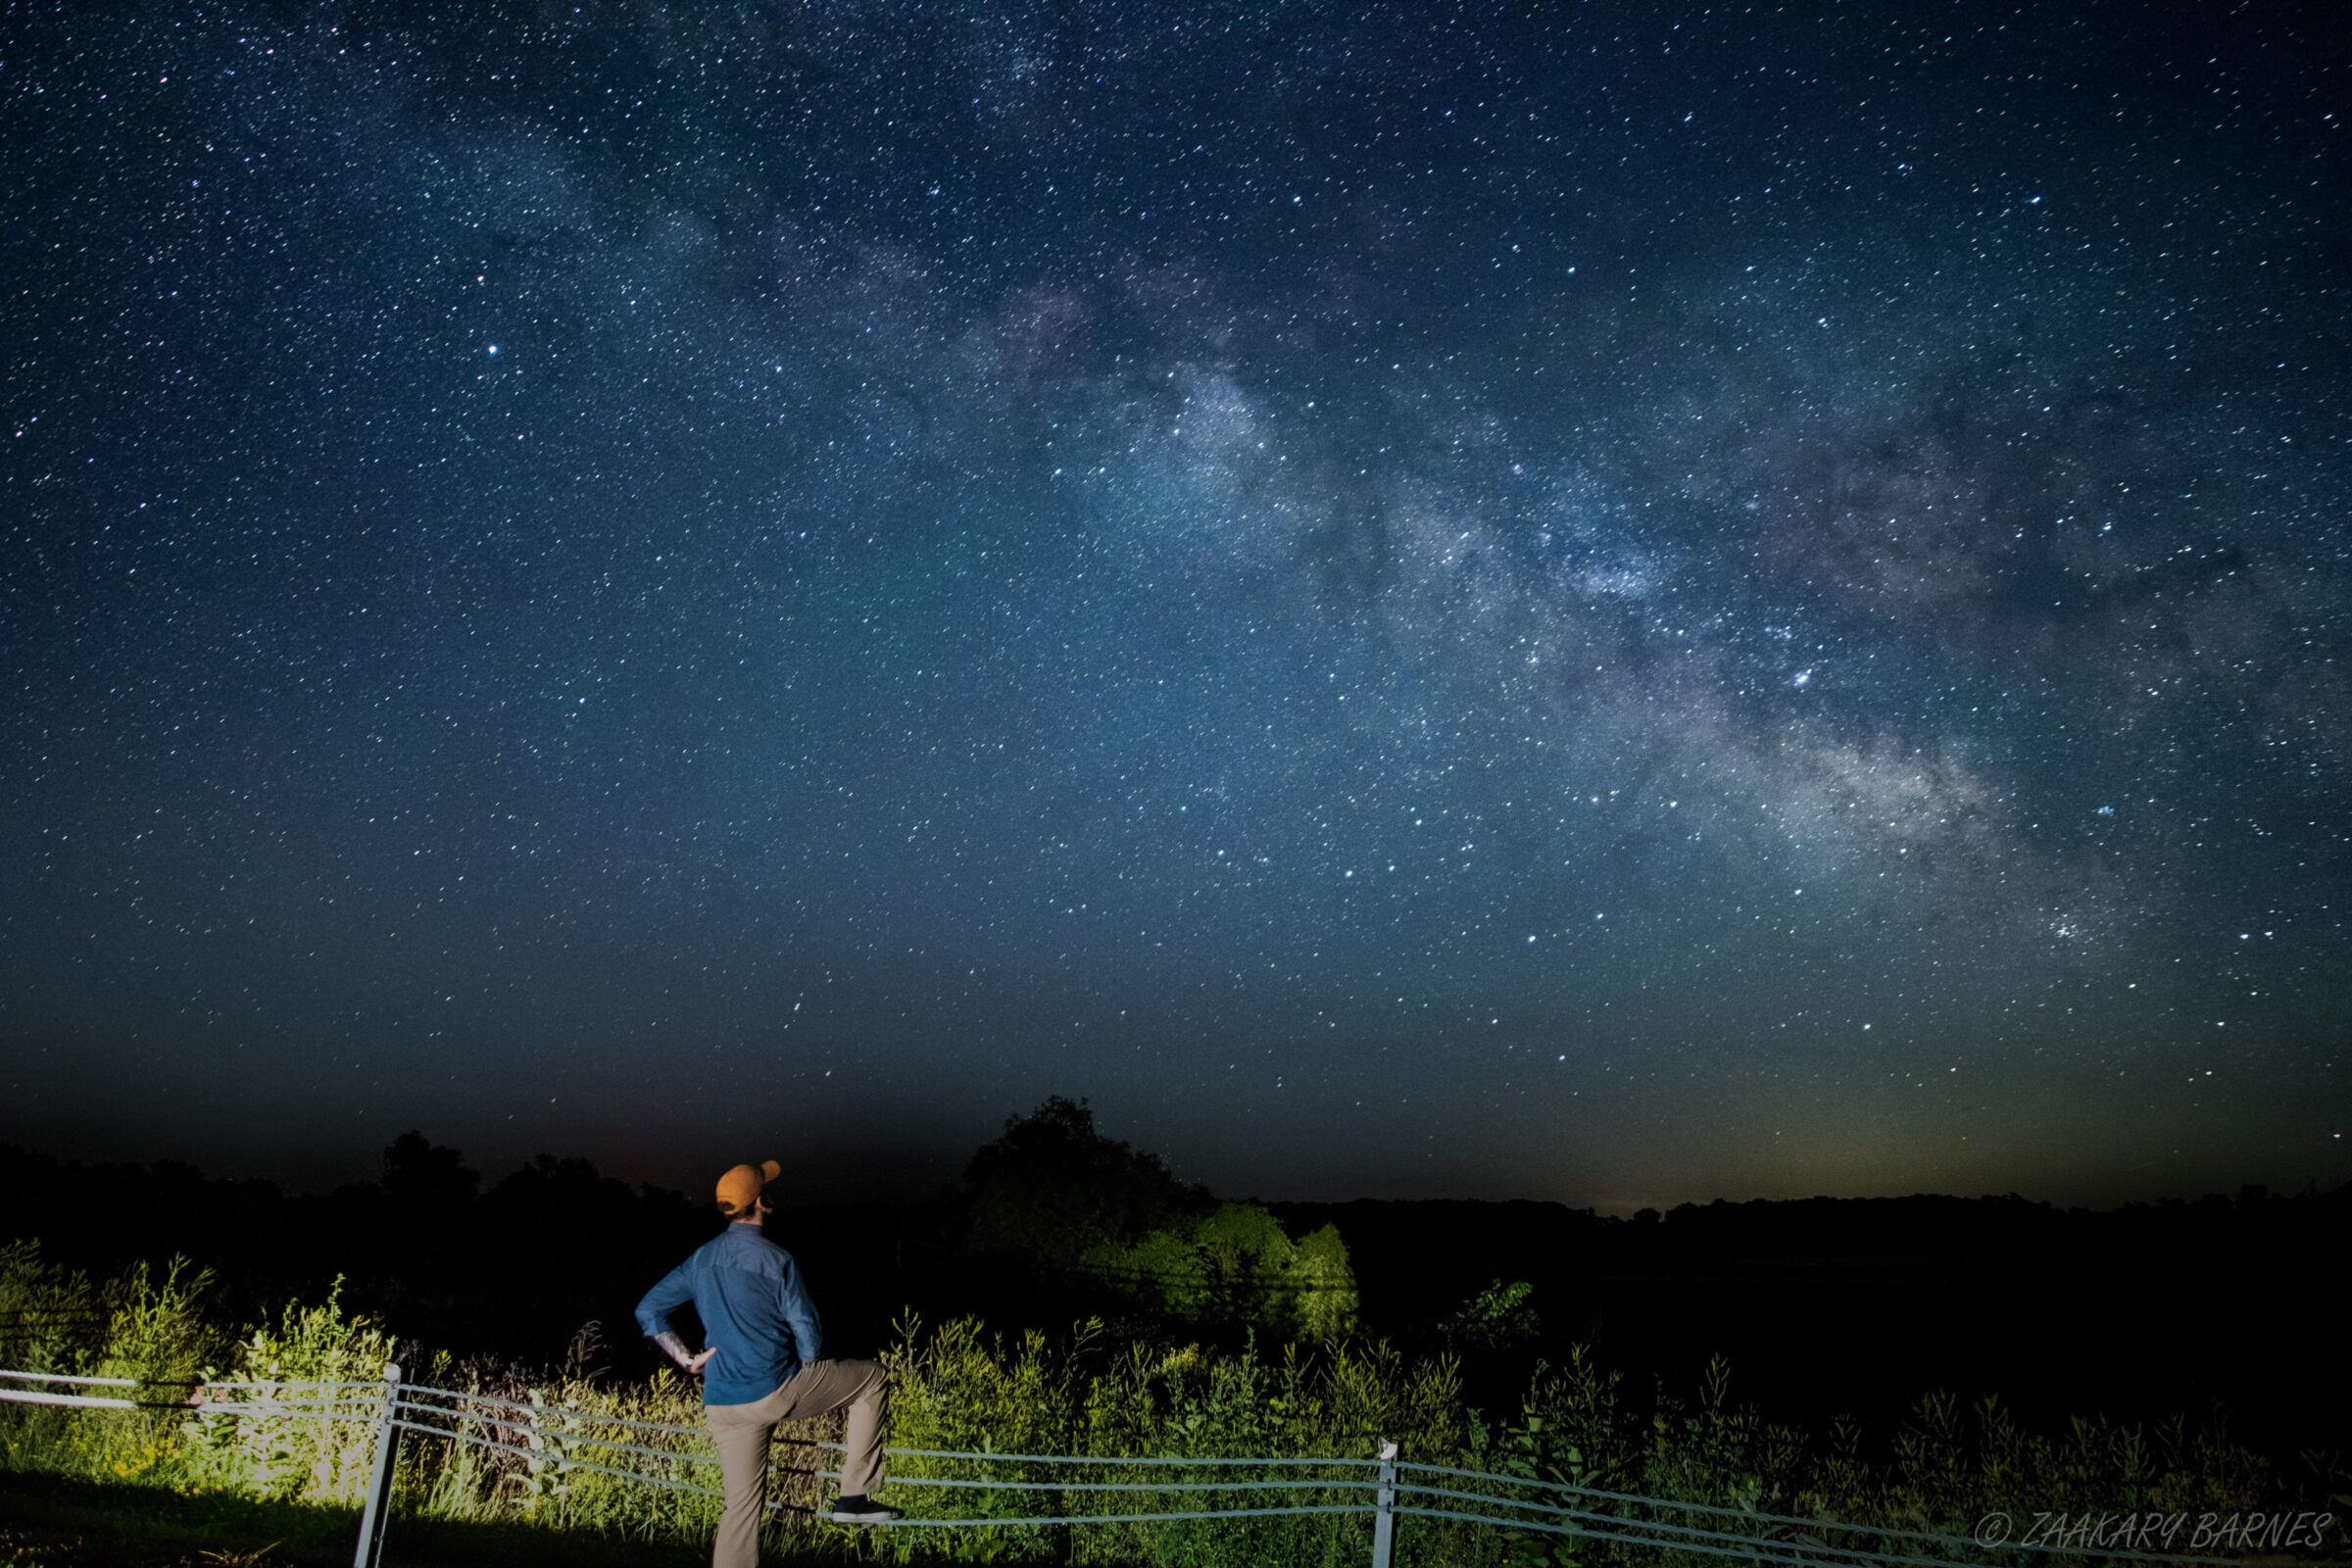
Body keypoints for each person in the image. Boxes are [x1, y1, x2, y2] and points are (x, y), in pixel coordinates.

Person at [636, 1158, 900, 1567]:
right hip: (773, 1390)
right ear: (760, 1201)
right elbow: (807, 1328)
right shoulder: (777, 1260)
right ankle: (854, 1495)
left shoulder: (702, 1259)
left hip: (722, 1404)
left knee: (740, 1511)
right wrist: (810, 1367)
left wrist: (686, 1358)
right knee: (872, 1379)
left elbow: (649, 1310)